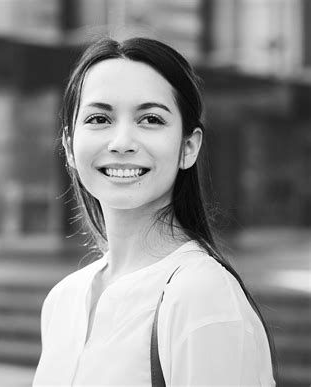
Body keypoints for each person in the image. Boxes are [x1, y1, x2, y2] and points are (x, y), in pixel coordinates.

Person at [33, 37, 276, 386]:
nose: (121, 142)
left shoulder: (202, 296)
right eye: (99, 118)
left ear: (188, 147)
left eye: (150, 119)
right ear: (70, 146)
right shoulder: (63, 300)